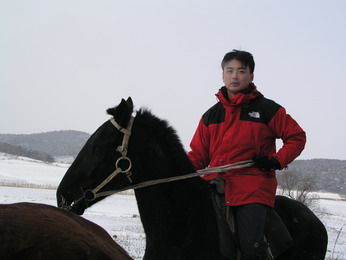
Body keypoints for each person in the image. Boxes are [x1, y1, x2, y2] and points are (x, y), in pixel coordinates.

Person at [188, 50, 306, 260]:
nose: (235, 76)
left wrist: (275, 161)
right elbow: (198, 155)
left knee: (251, 248)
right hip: (214, 183)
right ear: (222, 75)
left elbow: (296, 137)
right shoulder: (210, 116)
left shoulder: (267, 109)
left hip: (252, 187)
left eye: (241, 71)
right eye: (230, 70)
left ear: (251, 76)